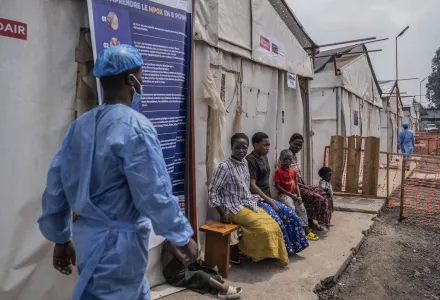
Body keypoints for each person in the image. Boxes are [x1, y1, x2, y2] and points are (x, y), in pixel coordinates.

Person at [38, 45, 196, 300]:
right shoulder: (135, 127)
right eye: (141, 76)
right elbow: (153, 191)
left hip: (89, 240)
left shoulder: (79, 127)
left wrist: (60, 236)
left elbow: (56, 186)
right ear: (130, 80)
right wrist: (180, 235)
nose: (142, 82)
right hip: (119, 247)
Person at [208, 133, 290, 266]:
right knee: (262, 229)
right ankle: (251, 254)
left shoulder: (245, 162)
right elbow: (212, 191)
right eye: (237, 148)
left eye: (244, 148)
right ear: (231, 148)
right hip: (233, 207)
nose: (241, 151)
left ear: (248, 148)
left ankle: (268, 254)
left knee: (273, 223)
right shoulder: (224, 167)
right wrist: (222, 213)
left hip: (248, 202)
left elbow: (246, 188)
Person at [246, 132, 309, 255]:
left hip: (266, 196)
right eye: (265, 145)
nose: (268, 148)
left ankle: (295, 246)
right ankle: (283, 250)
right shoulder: (251, 160)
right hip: (256, 199)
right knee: (278, 219)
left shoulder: (264, 156)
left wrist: (271, 197)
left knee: (291, 214)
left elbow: (265, 182)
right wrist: (270, 201)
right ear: (255, 144)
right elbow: (252, 186)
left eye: (269, 145)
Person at [162, 239, 242, 299]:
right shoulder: (170, 244)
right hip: (175, 276)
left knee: (200, 267)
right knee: (199, 274)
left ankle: (215, 282)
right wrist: (191, 253)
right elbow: (184, 260)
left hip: (184, 268)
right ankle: (223, 289)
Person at [286, 133, 331, 230]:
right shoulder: (286, 157)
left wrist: (306, 185)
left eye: (300, 145)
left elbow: (298, 176)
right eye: (296, 144)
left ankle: (315, 221)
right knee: (318, 198)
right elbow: (289, 180)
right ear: (290, 142)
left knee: (325, 193)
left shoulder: (294, 156)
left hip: (300, 185)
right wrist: (306, 187)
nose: (298, 147)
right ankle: (310, 222)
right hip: (293, 189)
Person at [274, 149, 319, 241]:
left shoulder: (293, 171)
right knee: (291, 208)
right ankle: (294, 232)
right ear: (281, 159)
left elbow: (296, 184)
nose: (287, 161)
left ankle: (306, 232)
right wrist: (290, 195)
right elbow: (277, 186)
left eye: (289, 159)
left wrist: (299, 196)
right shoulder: (278, 171)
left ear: (292, 160)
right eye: (285, 159)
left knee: (302, 209)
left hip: (294, 194)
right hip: (284, 194)